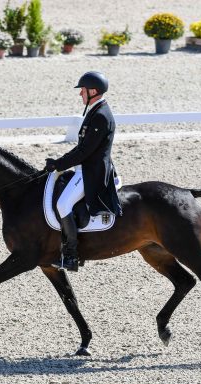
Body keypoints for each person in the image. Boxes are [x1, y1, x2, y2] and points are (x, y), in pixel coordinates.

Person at [45, 71, 122, 272]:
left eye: (83, 91)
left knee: (63, 204)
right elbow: (82, 148)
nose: (80, 94)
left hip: (92, 171)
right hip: (85, 167)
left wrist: (59, 164)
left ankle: (71, 255)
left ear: (93, 91)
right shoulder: (95, 111)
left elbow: (84, 151)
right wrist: (59, 162)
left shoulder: (101, 116)